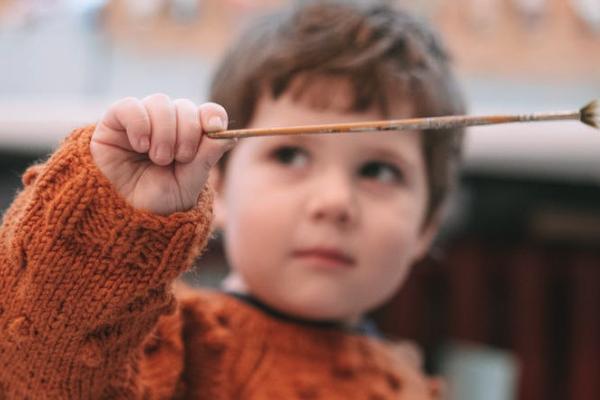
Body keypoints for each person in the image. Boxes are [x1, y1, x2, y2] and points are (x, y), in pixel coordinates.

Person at [0, 0, 466, 398]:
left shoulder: (410, 386)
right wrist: (109, 218)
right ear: (217, 184)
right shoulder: (162, 347)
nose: (334, 202)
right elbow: (32, 368)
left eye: (379, 171)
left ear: (427, 224)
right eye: (290, 155)